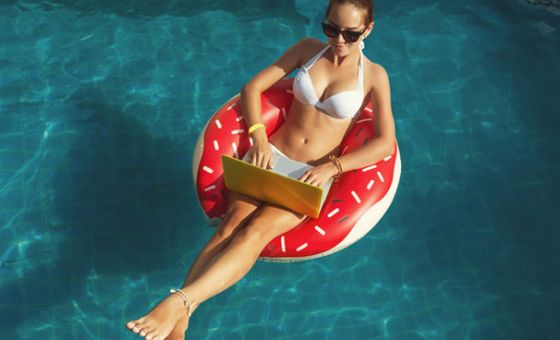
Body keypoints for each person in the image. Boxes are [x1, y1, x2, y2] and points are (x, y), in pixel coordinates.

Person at [125, 0, 395, 339]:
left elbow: (385, 142)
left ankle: (179, 302)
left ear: (368, 29)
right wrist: (258, 138)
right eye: (331, 28)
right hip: (269, 155)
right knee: (229, 228)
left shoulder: (373, 75)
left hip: (311, 173)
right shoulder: (308, 50)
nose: (338, 40)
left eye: (350, 34)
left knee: (255, 233)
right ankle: (180, 319)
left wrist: (333, 167)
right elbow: (253, 88)